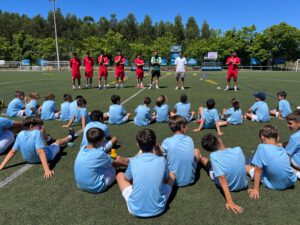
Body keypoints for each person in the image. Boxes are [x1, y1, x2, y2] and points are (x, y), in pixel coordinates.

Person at [116, 128, 175, 218]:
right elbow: (166, 180)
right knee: (172, 175)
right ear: (155, 145)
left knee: (120, 175)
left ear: (138, 145)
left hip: (135, 209)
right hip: (159, 208)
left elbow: (127, 179)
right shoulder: (162, 161)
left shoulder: (134, 161)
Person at [0, 117, 75, 178]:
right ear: (31, 126)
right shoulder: (37, 133)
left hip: (29, 160)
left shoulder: (20, 134)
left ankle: (49, 140)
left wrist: (1, 166)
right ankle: (70, 136)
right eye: (39, 126)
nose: (41, 128)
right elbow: (40, 152)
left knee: (45, 137)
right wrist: (47, 170)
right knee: (58, 142)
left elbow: (13, 151)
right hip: (48, 156)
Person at [246, 125, 298, 199]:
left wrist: (255, 189)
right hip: (290, 182)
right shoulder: (282, 150)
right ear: (278, 137)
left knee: (246, 167)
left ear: (262, 137)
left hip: (277, 185)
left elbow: (258, 170)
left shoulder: (261, 147)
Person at [199, 133, 247, 213]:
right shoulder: (238, 149)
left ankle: (199, 158)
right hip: (244, 184)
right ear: (219, 140)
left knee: (207, 163)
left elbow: (221, 177)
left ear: (208, 150)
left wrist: (230, 201)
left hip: (230, 186)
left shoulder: (213, 156)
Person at [74, 127, 128, 193]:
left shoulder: (82, 148)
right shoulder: (99, 154)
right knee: (115, 164)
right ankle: (136, 163)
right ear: (100, 141)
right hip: (96, 186)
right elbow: (116, 161)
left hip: (80, 185)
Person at [162, 115, 201, 187]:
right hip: (190, 180)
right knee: (197, 151)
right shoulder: (189, 139)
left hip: (172, 181)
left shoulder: (166, 142)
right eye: (186, 125)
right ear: (182, 127)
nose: (187, 127)